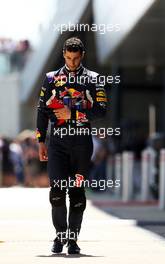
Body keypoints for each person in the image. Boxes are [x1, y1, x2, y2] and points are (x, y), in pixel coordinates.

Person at [36, 37, 107, 254]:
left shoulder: (94, 79)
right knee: (57, 191)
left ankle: (73, 240)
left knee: (77, 192)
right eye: (68, 58)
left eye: (76, 58)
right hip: (57, 143)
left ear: (82, 55)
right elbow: (41, 111)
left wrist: (73, 113)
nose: (72, 62)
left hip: (81, 144)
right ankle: (60, 235)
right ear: (64, 55)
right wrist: (40, 141)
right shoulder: (51, 78)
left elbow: (101, 110)